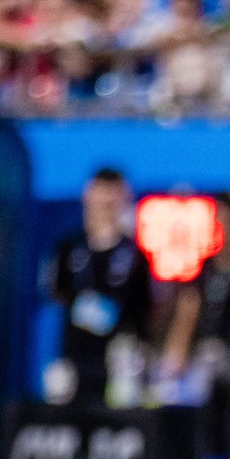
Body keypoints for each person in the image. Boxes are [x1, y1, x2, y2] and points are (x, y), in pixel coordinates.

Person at [48, 167, 152, 407]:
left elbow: (147, 307)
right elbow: (57, 292)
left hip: (119, 358)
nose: (106, 202)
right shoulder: (70, 247)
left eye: (113, 195)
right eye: (100, 193)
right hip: (74, 354)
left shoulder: (133, 254)